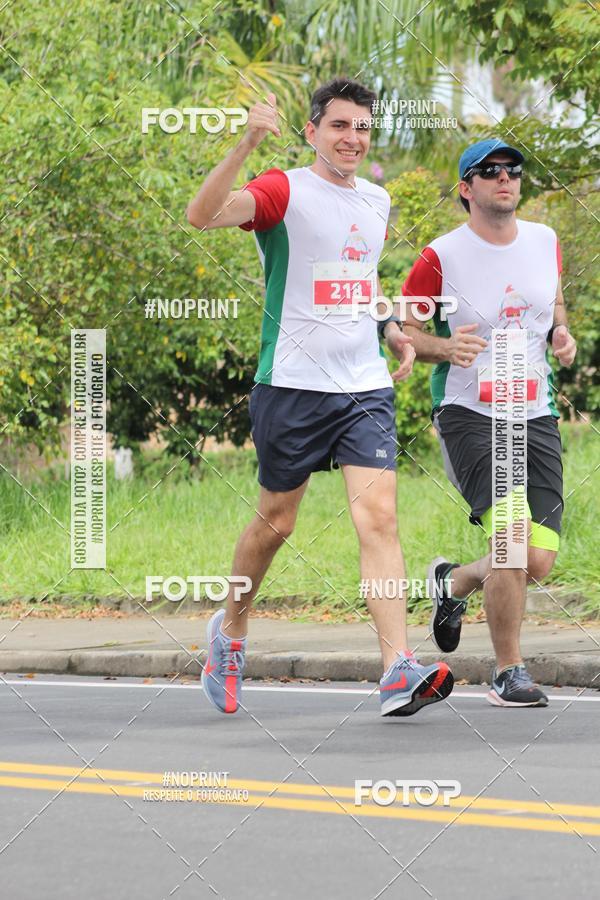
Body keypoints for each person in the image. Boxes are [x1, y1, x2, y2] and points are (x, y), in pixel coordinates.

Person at [186, 78, 454, 717]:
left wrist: (390, 328)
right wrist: (248, 141)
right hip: (292, 386)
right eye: (339, 126)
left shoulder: (377, 200)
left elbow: (357, 283)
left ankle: (396, 667)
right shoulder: (284, 188)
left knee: (380, 519)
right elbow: (201, 216)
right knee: (277, 522)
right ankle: (231, 635)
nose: (352, 138)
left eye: (362, 127)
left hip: (362, 387)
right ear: (312, 132)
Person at [392, 138, 577, 707]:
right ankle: (508, 671)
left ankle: (453, 582)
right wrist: (442, 349)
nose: (505, 177)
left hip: (535, 411)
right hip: (471, 413)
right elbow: (400, 331)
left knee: (536, 559)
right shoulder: (440, 256)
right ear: (466, 189)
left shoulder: (545, 241)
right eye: (490, 171)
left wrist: (560, 334)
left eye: (513, 169)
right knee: (512, 540)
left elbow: (554, 303)